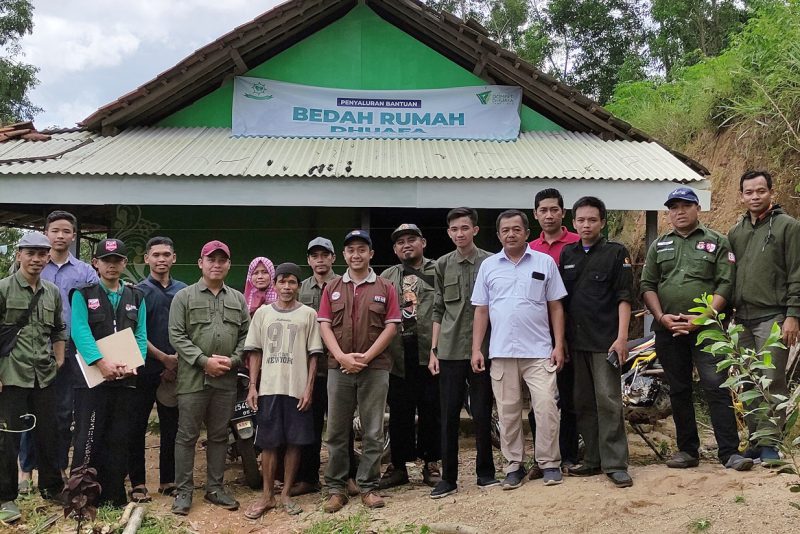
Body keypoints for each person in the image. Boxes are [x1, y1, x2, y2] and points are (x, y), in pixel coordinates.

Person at [641, 187, 752, 471]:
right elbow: (647, 285)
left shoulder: (717, 241)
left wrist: (700, 319)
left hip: (707, 329)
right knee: (679, 389)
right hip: (668, 329)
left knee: (716, 387)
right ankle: (687, 451)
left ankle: (729, 452)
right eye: (674, 207)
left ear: (697, 208)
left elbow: (725, 284)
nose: (679, 211)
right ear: (668, 213)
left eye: (685, 206)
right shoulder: (659, 245)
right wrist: (662, 316)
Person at [471, 209, 567, 489]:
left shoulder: (545, 262)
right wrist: (477, 348)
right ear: (499, 234)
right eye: (505, 230)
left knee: (546, 406)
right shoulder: (489, 266)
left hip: (539, 351)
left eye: (516, 229)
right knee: (507, 411)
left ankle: (549, 463)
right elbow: (481, 311)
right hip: (501, 352)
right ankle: (514, 465)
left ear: (527, 232)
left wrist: (558, 345)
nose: (510, 234)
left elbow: (556, 306)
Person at [317, 230, 401, 513]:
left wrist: (366, 356)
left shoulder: (385, 287)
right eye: (351, 250)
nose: (356, 254)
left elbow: (391, 326)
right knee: (337, 430)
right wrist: (341, 356)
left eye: (362, 249)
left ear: (371, 254)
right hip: (338, 369)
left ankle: (368, 486)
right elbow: (325, 324)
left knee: (374, 430)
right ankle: (336, 488)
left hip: (374, 367)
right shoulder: (332, 287)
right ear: (344, 255)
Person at [168, 240, 250, 515]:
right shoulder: (184, 297)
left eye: (222, 260)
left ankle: (215, 488)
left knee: (218, 435)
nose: (216, 264)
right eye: (210, 259)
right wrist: (204, 362)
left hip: (226, 379)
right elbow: (176, 335)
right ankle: (183, 492)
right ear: (200, 263)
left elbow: (246, 336)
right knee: (187, 435)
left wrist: (234, 359)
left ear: (228, 265)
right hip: (192, 379)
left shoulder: (238, 299)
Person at [559, 197, 633, 488]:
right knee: (583, 403)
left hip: (605, 341)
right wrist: (561, 340)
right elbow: (561, 302)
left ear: (602, 222)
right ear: (573, 223)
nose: (586, 225)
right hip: (576, 343)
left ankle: (615, 463)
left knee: (609, 402)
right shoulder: (567, 254)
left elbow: (624, 297)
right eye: (580, 220)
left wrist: (622, 338)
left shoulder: (616, 253)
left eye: (592, 220)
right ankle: (592, 459)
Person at [728, 170, 800, 462]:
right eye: (749, 192)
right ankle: (756, 441)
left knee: (771, 379)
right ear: (742, 195)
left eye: (760, 191)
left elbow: (797, 273)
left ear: (772, 192)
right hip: (741, 318)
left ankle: (771, 445)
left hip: (774, 316)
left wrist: (793, 315)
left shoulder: (789, 227)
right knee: (748, 382)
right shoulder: (736, 231)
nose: (755, 197)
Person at [70, 238, 148, 507]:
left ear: (125, 264)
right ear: (96, 264)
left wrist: (135, 363)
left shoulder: (136, 296)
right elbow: (79, 331)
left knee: (119, 437)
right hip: (92, 380)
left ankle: (114, 496)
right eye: (106, 261)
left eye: (117, 261)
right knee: (88, 436)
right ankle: (82, 496)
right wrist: (99, 362)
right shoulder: (83, 293)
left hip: (125, 379)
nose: (112, 266)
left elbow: (140, 334)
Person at [428, 207, 498, 499]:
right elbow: (438, 309)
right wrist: (434, 351)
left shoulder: (492, 262)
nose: (459, 234)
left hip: (483, 349)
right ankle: (448, 479)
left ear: (475, 230)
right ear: (449, 233)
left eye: (465, 228)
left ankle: (486, 473)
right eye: (454, 229)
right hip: (450, 350)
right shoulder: (442, 265)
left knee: (483, 412)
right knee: (449, 415)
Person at [243, 262, 323, 519]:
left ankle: (286, 493)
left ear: (299, 286)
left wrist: (309, 388)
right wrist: (253, 386)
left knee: (294, 442)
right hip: (269, 387)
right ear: (275, 285)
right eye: (282, 282)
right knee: (268, 443)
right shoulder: (263, 313)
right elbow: (255, 350)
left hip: (297, 388)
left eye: (292, 282)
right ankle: (267, 495)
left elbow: (314, 355)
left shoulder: (308, 314)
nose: (287, 287)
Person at [0, 233, 67, 524]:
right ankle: (6, 498)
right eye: (30, 253)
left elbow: (58, 329)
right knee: (8, 439)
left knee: (48, 434)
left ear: (48, 257)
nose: (36, 259)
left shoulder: (51, 291)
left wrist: (60, 358)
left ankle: (51, 488)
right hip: (11, 375)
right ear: (18, 255)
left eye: (42, 254)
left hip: (44, 374)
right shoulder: (3, 288)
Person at [28, 210, 98, 487]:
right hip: (33, 349)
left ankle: (58, 470)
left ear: (73, 236)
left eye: (66, 231)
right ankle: (26, 470)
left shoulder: (85, 272)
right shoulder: (33, 265)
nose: (60, 236)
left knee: (63, 413)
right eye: (55, 230)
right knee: (30, 409)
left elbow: (98, 303)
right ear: (46, 233)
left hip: (71, 349)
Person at [295, 237, 363, 497]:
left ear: (334, 257)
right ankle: (308, 477)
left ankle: (347, 477)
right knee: (309, 425)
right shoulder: (300, 289)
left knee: (341, 426)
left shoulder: (344, 285)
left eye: (325, 255)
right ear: (309, 260)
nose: (320, 260)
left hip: (339, 365)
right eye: (315, 256)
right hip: (308, 369)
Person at [379, 224, 441, 489]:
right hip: (397, 353)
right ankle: (399, 466)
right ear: (394, 249)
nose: (407, 245)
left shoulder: (437, 271)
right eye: (401, 242)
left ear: (423, 242)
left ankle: (431, 463)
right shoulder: (386, 277)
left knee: (431, 409)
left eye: (412, 240)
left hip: (429, 351)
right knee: (400, 411)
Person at [128, 237, 187, 502]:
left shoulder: (184, 291)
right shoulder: (136, 291)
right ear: (146, 259)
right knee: (136, 425)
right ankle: (138, 482)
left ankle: (168, 480)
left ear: (174, 258)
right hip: (144, 369)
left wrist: (175, 361)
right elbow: (134, 332)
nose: (161, 259)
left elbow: (188, 330)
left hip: (176, 370)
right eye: (156, 255)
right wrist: (163, 358)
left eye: (166, 254)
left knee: (171, 427)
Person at [529, 188, 581, 474]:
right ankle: (541, 458)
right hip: (537, 334)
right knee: (540, 399)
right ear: (535, 214)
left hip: (572, 331)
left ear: (563, 213)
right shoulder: (529, 249)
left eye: (554, 210)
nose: (548, 215)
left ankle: (569, 455)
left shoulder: (576, 243)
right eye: (543, 210)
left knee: (569, 396)